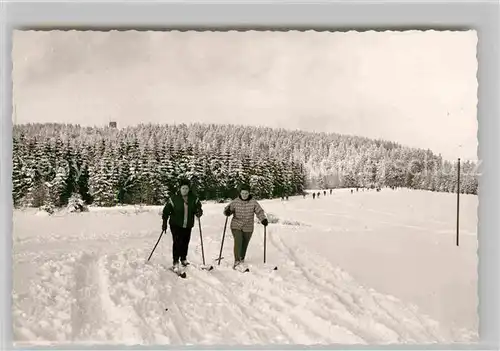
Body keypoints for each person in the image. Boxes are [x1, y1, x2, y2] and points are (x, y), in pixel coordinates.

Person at [223, 184, 268, 271]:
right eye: (243, 193)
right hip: (236, 225)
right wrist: (227, 211)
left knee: (245, 243)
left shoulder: (253, 202)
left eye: (246, 193)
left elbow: (259, 212)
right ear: (240, 193)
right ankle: (236, 261)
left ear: (249, 193)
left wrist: (263, 219)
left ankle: (241, 258)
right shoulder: (235, 201)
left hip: (248, 226)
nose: (244, 195)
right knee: (238, 240)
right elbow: (227, 209)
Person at [162, 179, 203, 273]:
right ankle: (175, 261)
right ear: (179, 189)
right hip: (175, 224)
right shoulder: (174, 198)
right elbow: (166, 211)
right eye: (183, 188)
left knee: (185, 242)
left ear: (189, 189)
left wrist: (199, 212)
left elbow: (198, 208)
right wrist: (164, 222)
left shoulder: (194, 198)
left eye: (186, 188)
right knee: (177, 242)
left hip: (188, 224)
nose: (185, 190)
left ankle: (183, 259)